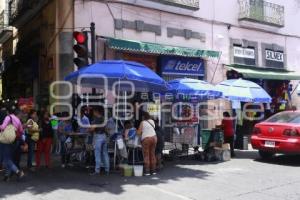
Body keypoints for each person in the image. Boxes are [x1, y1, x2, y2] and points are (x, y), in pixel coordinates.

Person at [0, 106, 25, 181]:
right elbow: (20, 131)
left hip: (5, 140)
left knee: (6, 159)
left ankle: (18, 172)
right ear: (18, 114)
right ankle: (7, 176)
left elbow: (2, 127)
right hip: (14, 141)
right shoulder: (18, 120)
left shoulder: (8, 117)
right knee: (8, 158)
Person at [89, 106, 110, 175]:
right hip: (104, 136)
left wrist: (89, 129)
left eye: (93, 111)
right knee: (105, 153)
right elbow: (107, 129)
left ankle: (97, 170)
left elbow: (92, 129)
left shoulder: (97, 119)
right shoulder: (104, 118)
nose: (93, 113)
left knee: (97, 154)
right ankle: (107, 170)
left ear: (96, 111)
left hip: (98, 136)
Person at [137, 111, 157, 176]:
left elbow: (139, 133)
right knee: (152, 154)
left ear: (143, 116)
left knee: (146, 155)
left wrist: (136, 131)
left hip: (146, 139)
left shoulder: (142, 122)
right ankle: (153, 170)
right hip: (154, 138)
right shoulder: (152, 121)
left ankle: (147, 171)